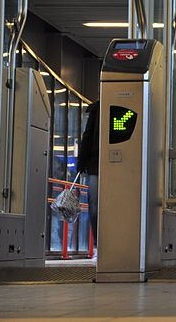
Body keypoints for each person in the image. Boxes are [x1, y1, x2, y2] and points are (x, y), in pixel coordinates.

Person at [76, 100, 100, 255]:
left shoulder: (96, 109)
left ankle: (101, 241)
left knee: (94, 205)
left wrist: (82, 162)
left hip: (95, 165)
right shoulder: (96, 109)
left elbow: (87, 136)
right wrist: (82, 161)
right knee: (95, 206)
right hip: (96, 164)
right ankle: (100, 241)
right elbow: (88, 136)